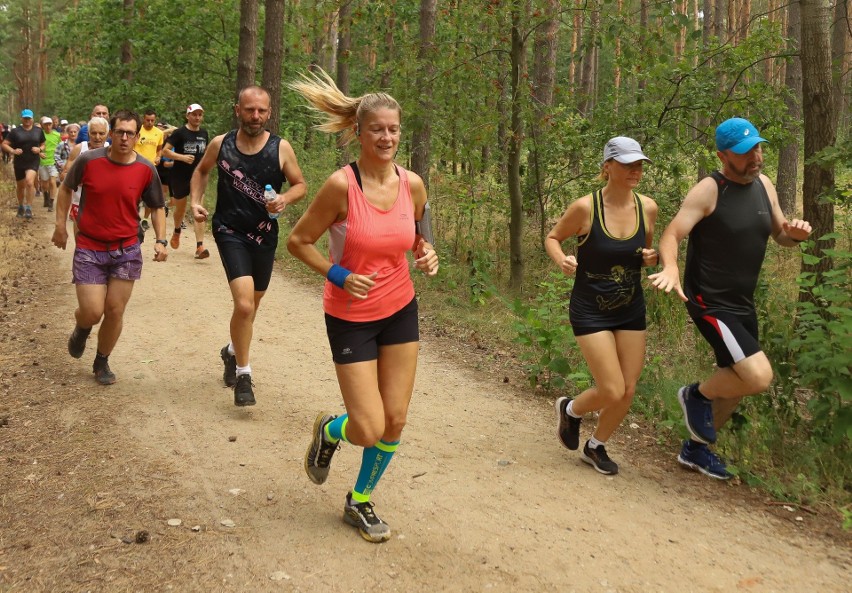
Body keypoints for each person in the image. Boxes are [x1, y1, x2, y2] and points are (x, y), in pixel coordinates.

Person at [286, 69, 439, 543]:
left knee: (394, 418)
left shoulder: (412, 182)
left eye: (393, 129)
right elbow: (298, 241)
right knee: (368, 427)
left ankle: (361, 500)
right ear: (359, 131)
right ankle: (331, 431)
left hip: (399, 308)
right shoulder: (340, 186)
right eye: (377, 128)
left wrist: (426, 250)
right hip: (350, 316)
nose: (387, 136)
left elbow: (418, 227)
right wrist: (340, 274)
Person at [649, 118, 812, 479]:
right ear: (723, 155)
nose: (755, 156)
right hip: (710, 302)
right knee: (757, 377)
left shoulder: (764, 185)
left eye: (757, 147)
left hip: (742, 303)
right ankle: (695, 396)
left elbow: (780, 235)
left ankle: (695, 450)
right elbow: (672, 235)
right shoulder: (709, 190)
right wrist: (671, 268)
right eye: (744, 152)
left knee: (736, 380)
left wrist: (794, 235)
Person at [546, 137, 658, 475]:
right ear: (607, 166)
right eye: (626, 163)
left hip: (630, 307)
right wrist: (562, 259)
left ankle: (596, 446)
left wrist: (652, 258)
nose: (635, 170)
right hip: (589, 307)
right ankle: (571, 410)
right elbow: (553, 238)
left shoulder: (648, 207)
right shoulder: (585, 207)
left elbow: (645, 255)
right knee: (612, 388)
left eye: (639, 163)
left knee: (629, 388)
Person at [190, 86, 306, 406]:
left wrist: (283, 199)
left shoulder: (280, 148)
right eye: (249, 109)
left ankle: (230, 351)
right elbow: (201, 172)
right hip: (229, 230)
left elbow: (300, 185)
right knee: (243, 305)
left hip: (264, 234)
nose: (255, 116)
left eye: (262, 111)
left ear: (269, 113)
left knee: (251, 308)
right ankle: (244, 374)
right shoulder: (221, 144)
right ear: (237, 109)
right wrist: (196, 201)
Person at [51, 109, 168, 385]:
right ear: (111, 134)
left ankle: (102, 361)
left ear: (137, 137)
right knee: (93, 311)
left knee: (115, 309)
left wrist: (161, 240)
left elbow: (157, 206)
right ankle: (82, 327)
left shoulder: (145, 169)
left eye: (130, 133)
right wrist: (60, 226)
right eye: (119, 132)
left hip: (126, 248)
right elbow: (66, 188)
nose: (124, 138)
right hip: (90, 246)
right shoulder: (88, 161)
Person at [163, 103, 210, 258]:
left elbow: (205, 155)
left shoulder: (204, 134)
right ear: (187, 115)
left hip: (198, 178)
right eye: (194, 114)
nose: (197, 117)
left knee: (198, 208)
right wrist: (182, 157)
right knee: (180, 210)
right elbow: (165, 151)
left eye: (199, 115)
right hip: (179, 176)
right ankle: (177, 230)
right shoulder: (179, 133)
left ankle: (200, 247)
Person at [61, 117, 110, 227]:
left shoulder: (112, 151)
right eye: (94, 133)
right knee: (80, 241)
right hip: (80, 204)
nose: (97, 137)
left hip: (105, 206)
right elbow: (63, 176)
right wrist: (78, 178)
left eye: (101, 133)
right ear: (88, 134)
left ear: (107, 135)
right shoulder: (79, 149)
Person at [2, 109, 45, 219]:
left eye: (29, 118)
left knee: (29, 182)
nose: (27, 120)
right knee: (20, 187)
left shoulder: (38, 131)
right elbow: (4, 144)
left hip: (33, 160)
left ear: (32, 119)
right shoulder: (15, 131)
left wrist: (39, 149)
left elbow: (43, 144)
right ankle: (21, 205)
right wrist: (13, 151)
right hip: (20, 161)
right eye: (25, 118)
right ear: (22, 118)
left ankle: (29, 208)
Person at [134, 109, 165, 232]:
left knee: (149, 194)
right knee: (135, 194)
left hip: (151, 168)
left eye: (152, 120)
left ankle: (145, 219)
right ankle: (133, 216)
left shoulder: (159, 133)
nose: (150, 122)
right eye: (148, 120)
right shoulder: (137, 130)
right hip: (136, 166)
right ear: (143, 119)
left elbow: (159, 149)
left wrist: (158, 157)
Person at [38, 116, 63, 212]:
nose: (48, 126)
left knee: (53, 182)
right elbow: (36, 146)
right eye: (46, 124)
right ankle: (46, 196)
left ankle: (51, 203)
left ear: (52, 124)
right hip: (43, 161)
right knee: (44, 183)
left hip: (54, 162)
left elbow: (61, 147)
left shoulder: (57, 135)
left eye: (49, 124)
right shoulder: (40, 135)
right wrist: (40, 153)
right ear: (42, 125)